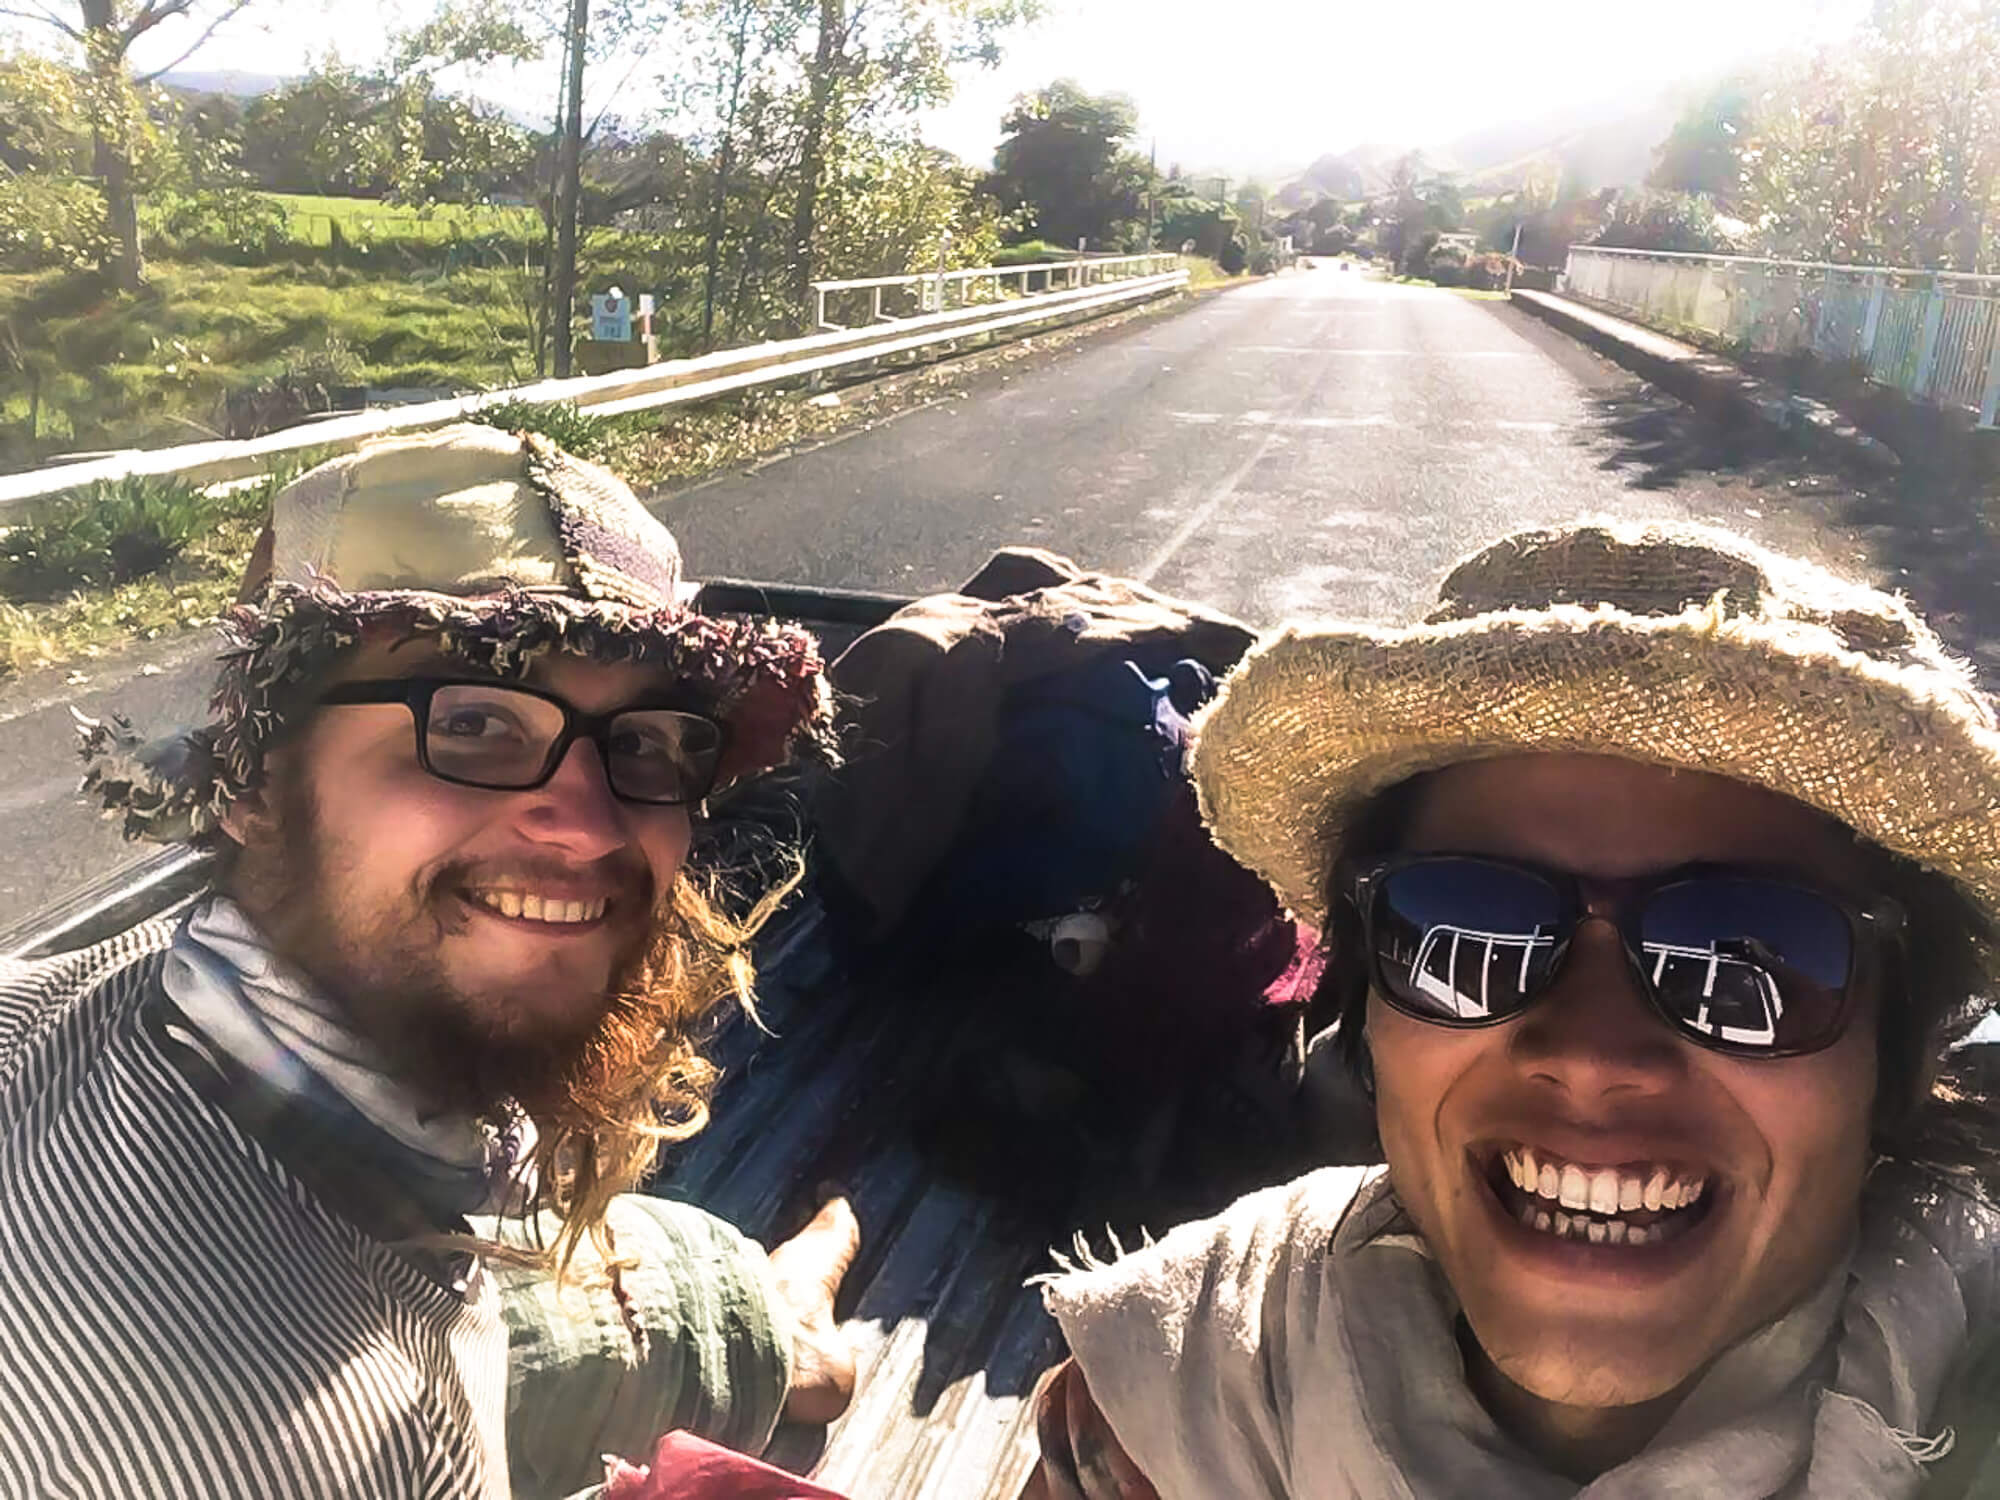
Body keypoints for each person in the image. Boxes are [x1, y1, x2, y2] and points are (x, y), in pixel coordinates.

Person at [1023, 519, 2000, 1499]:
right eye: (1463, 934)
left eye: (1743, 959)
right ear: (1369, 1022)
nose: (1589, 1055)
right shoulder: (1162, 1400)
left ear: (1894, 1058)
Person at [0, 425, 861, 1500]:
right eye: (475, 722)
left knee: (622, 1278)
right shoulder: (325, 1454)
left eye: (647, 741)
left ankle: (767, 1312)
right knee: (790, 1362)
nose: (590, 827)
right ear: (258, 784)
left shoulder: (80, 1005)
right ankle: (787, 1344)